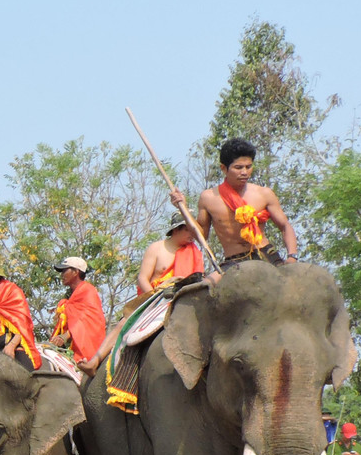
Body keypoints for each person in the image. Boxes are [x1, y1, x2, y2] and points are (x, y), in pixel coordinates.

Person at [77, 213, 204, 376]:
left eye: (194, 230)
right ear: (176, 229)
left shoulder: (194, 252)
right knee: (125, 323)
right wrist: (155, 295)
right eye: (188, 230)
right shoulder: (157, 248)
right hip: (156, 299)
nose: (192, 234)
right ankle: (95, 361)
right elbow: (143, 278)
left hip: (183, 300)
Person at [195, 138, 300, 270]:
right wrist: (183, 209)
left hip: (265, 255)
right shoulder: (208, 198)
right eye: (238, 167)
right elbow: (201, 236)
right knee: (208, 282)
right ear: (224, 168)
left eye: (248, 167)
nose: (244, 172)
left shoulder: (264, 193)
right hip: (234, 261)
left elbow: (285, 226)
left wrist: (292, 256)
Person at [48, 257, 106, 365]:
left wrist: (65, 336)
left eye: (65, 270)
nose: (62, 274)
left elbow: (86, 321)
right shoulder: (74, 295)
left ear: (75, 272)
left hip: (89, 349)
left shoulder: (88, 290)